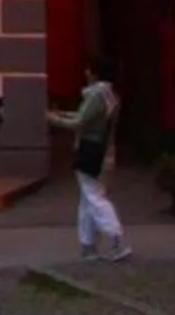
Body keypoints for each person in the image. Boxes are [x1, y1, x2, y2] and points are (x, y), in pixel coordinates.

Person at [48, 53, 130, 262]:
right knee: (87, 199)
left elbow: (80, 122)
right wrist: (61, 114)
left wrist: (52, 118)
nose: (85, 72)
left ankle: (115, 239)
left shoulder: (96, 95)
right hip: (104, 149)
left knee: (93, 196)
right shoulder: (110, 95)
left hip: (91, 150)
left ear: (95, 72)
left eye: (88, 69)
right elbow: (83, 116)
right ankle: (88, 245)